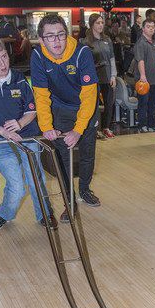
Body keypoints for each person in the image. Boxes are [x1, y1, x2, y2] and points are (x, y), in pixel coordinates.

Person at [0, 36, 56, 231]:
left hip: (27, 136)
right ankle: (4, 213)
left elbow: (31, 110)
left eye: (4, 56)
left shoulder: (19, 78)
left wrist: (20, 123)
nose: (3, 63)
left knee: (36, 179)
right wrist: (2, 131)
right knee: (16, 187)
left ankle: (44, 214)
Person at [30, 14, 100, 219]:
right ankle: (69, 200)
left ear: (67, 34)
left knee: (87, 152)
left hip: (86, 107)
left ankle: (85, 189)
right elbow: (41, 95)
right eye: (50, 36)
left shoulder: (82, 53)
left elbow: (89, 95)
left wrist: (78, 130)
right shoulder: (38, 56)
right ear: (41, 40)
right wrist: (46, 126)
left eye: (60, 34)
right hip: (60, 108)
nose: (57, 41)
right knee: (63, 156)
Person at [83, 13, 117, 139]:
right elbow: (85, 63)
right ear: (91, 25)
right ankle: (95, 129)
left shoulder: (107, 40)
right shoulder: (86, 42)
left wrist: (113, 75)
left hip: (108, 76)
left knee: (109, 103)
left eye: (102, 22)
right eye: (98, 23)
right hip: (94, 78)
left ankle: (106, 128)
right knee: (94, 105)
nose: (101, 25)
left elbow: (112, 58)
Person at [133, 19, 155, 133]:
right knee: (143, 103)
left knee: (153, 104)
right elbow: (140, 60)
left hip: (154, 79)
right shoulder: (140, 43)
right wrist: (143, 75)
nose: (151, 28)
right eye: (148, 26)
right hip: (143, 80)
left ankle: (152, 124)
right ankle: (142, 125)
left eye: (153, 27)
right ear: (143, 29)